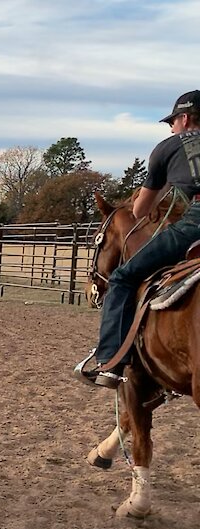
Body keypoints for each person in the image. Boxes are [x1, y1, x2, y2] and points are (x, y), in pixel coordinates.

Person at [79, 90, 200, 388]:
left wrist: (162, 188)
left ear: (185, 119)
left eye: (172, 121)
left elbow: (140, 210)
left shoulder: (169, 147)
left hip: (196, 222)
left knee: (122, 278)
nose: (171, 127)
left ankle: (109, 361)